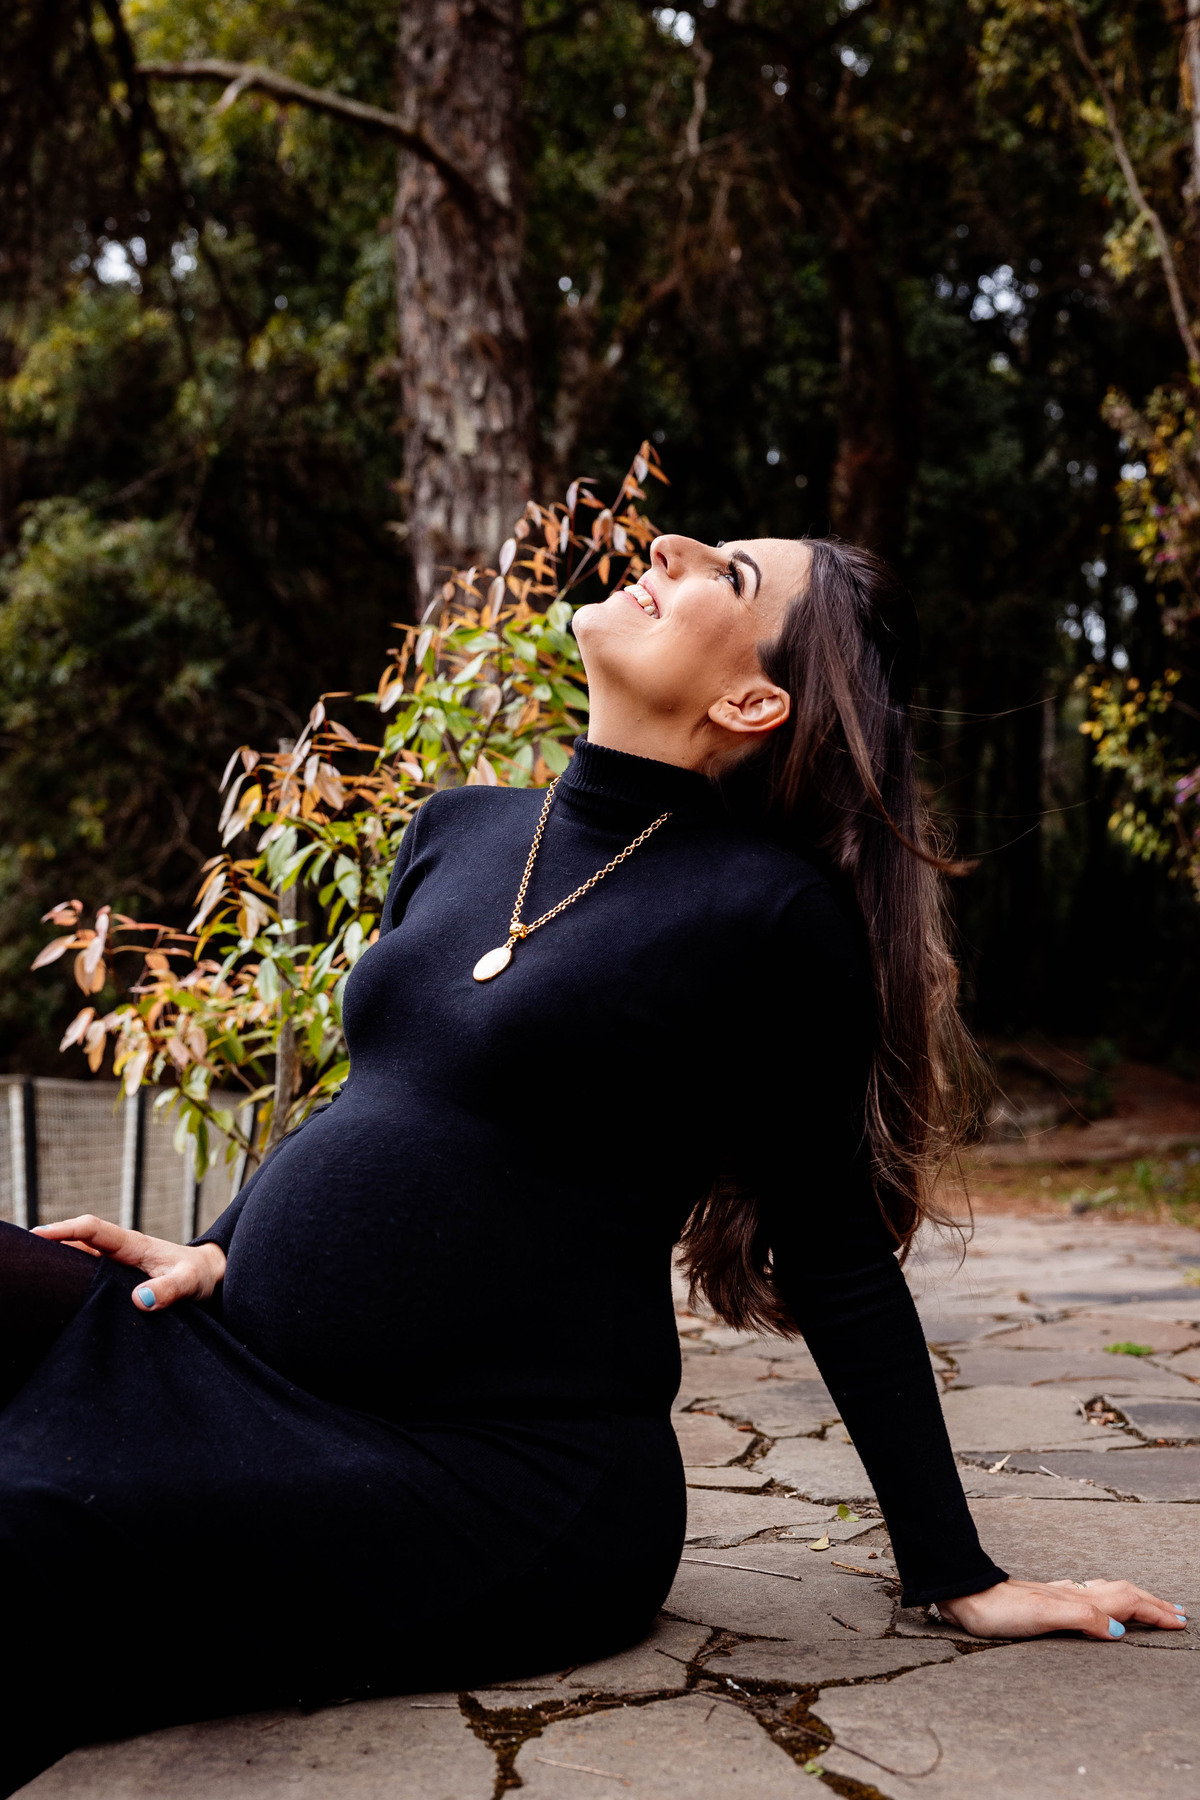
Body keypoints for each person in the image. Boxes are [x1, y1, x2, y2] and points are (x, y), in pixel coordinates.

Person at [1, 533, 1184, 1793]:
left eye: (729, 573)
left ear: (752, 704)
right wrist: (222, 1243)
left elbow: (833, 1255)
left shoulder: (769, 918)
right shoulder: (458, 829)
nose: (669, 544)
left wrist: (958, 1571)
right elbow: (386, 1091)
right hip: (237, 1352)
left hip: (490, 1472)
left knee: (26, 1537)